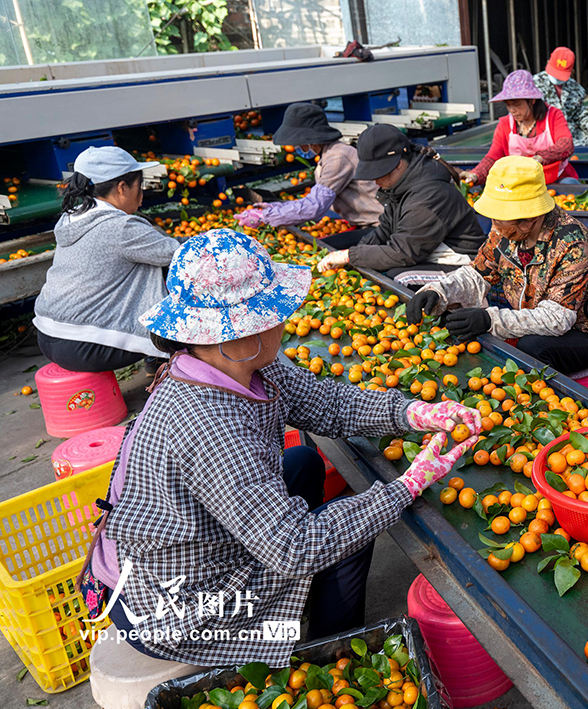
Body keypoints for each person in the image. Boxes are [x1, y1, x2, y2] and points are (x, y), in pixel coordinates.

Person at [92, 228, 479, 666]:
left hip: (202, 541)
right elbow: (294, 546)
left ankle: (303, 609)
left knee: (300, 462)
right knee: (350, 534)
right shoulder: (208, 424)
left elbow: (326, 402)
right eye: (275, 313)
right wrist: (405, 488)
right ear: (244, 329)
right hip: (180, 603)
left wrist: (411, 413)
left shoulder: (236, 362)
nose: (284, 321)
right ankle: (329, 657)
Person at [407, 156, 588, 376]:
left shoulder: (573, 245)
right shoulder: (504, 231)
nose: (494, 228)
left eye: (500, 221)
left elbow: (558, 318)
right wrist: (439, 291)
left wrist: (490, 319)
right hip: (534, 313)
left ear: (530, 218)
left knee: (531, 349)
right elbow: (478, 273)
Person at [33, 146, 180, 375]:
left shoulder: (73, 218)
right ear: (122, 188)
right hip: (85, 347)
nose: (141, 197)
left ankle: (156, 363)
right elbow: (180, 254)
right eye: (138, 187)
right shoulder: (121, 227)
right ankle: (174, 364)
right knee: (178, 276)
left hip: (48, 336)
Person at [315, 124, 487, 287]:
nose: (375, 180)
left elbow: (404, 252)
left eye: (379, 173)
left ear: (397, 164)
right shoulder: (399, 185)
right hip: (430, 255)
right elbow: (384, 231)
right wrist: (355, 253)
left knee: (397, 280)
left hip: (463, 263)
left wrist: (350, 256)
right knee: (379, 270)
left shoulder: (430, 194)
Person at [234, 103, 383, 245]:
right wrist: (276, 208)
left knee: (322, 249)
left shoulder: (338, 157)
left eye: (298, 143)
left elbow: (314, 207)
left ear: (309, 139)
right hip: (364, 223)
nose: (296, 147)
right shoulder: (330, 154)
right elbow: (313, 200)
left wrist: (265, 217)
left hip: (379, 226)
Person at [460, 70, 579, 188]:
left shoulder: (553, 116)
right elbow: (493, 156)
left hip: (555, 179)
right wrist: (476, 174)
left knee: (570, 185)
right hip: (520, 185)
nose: (512, 110)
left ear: (532, 100)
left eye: (516, 104)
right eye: (508, 104)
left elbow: (566, 144)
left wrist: (540, 158)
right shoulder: (505, 125)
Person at [533, 47, 588, 147]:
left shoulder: (574, 88)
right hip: (545, 136)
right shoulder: (534, 85)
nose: (557, 77)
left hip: (572, 135)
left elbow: (580, 114)